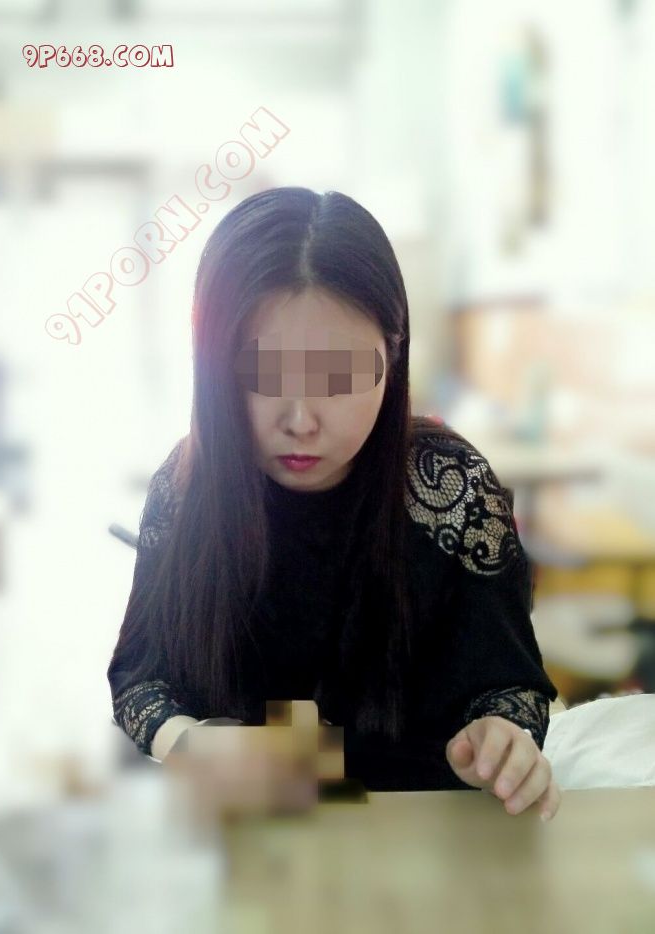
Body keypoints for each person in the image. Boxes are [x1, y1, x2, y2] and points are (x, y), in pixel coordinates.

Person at [106, 186, 562, 821]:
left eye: (338, 375)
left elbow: (508, 682)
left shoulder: (452, 489)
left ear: (393, 355)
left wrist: (501, 735)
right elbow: (141, 679)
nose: (300, 420)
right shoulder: (185, 492)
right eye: (261, 374)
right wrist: (188, 742)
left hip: (422, 832)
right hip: (254, 830)